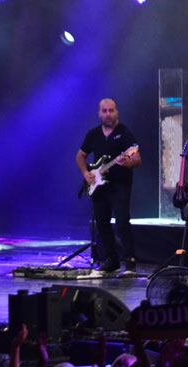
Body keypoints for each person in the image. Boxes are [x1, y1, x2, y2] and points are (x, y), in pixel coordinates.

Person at [76, 98, 141, 275]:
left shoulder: (125, 133)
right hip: (99, 186)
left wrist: (127, 162)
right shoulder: (93, 134)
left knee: (122, 222)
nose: (108, 114)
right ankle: (111, 261)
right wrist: (86, 174)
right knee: (102, 223)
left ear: (117, 112)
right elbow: (80, 156)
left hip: (120, 186)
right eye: (104, 111)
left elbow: (136, 159)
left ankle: (130, 263)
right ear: (99, 113)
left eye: (111, 111)